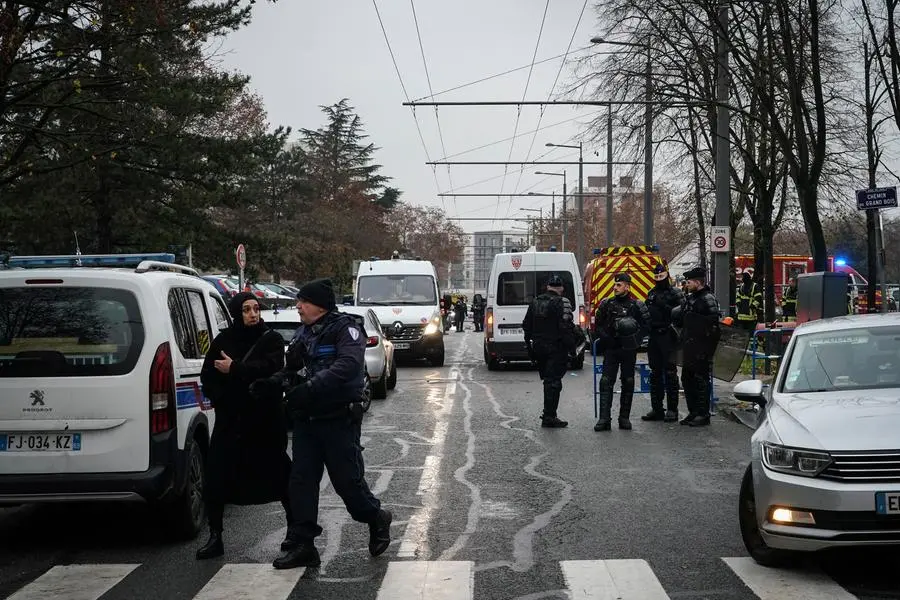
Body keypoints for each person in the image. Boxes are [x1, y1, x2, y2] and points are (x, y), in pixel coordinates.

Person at [266, 278, 391, 569]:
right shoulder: (304, 333)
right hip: (308, 422)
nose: (297, 306)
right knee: (301, 483)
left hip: (338, 420)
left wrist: (310, 388)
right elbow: (293, 367)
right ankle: (304, 544)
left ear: (319, 305)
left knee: (347, 484)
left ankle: (376, 517)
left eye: (303, 302)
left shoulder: (346, 329)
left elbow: (347, 366)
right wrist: (273, 382)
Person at [196, 291, 290, 560]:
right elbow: (209, 375)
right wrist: (224, 397)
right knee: (217, 478)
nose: (252, 314)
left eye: (255, 309)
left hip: (264, 422)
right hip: (231, 422)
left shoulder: (270, 339)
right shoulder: (224, 340)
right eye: (246, 310)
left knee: (280, 476)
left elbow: (271, 368)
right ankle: (215, 537)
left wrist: (235, 369)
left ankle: (296, 531)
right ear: (237, 313)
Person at [592, 273, 650, 431]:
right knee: (605, 381)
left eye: (619, 285)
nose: (615, 288)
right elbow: (598, 325)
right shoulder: (606, 304)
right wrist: (606, 339)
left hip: (628, 350)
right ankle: (604, 419)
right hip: (611, 349)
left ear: (627, 286)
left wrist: (634, 340)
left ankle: (624, 418)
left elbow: (646, 326)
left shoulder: (637, 305)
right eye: (614, 285)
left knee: (628, 381)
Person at [522, 275, 577, 428]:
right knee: (554, 382)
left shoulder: (535, 302)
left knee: (548, 380)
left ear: (547, 287)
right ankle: (549, 416)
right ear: (560, 288)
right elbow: (566, 328)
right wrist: (572, 349)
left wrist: (530, 346)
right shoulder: (562, 302)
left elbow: (526, 325)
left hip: (539, 347)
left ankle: (549, 415)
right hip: (556, 347)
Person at [672, 267, 721, 427]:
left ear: (698, 282)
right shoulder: (689, 298)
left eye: (689, 282)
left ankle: (703, 413)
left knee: (701, 380)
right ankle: (693, 412)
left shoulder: (708, 299)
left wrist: (707, 347)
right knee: (687, 379)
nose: (687, 284)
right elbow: (683, 320)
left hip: (702, 347)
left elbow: (713, 325)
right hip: (689, 345)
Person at [642, 264, 684, 422]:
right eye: (656, 277)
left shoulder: (676, 293)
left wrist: (665, 307)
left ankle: (672, 409)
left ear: (667, 276)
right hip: (654, 336)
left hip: (668, 335)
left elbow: (681, 315)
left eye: (661, 277)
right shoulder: (651, 293)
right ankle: (657, 408)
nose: (659, 280)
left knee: (670, 373)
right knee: (655, 373)